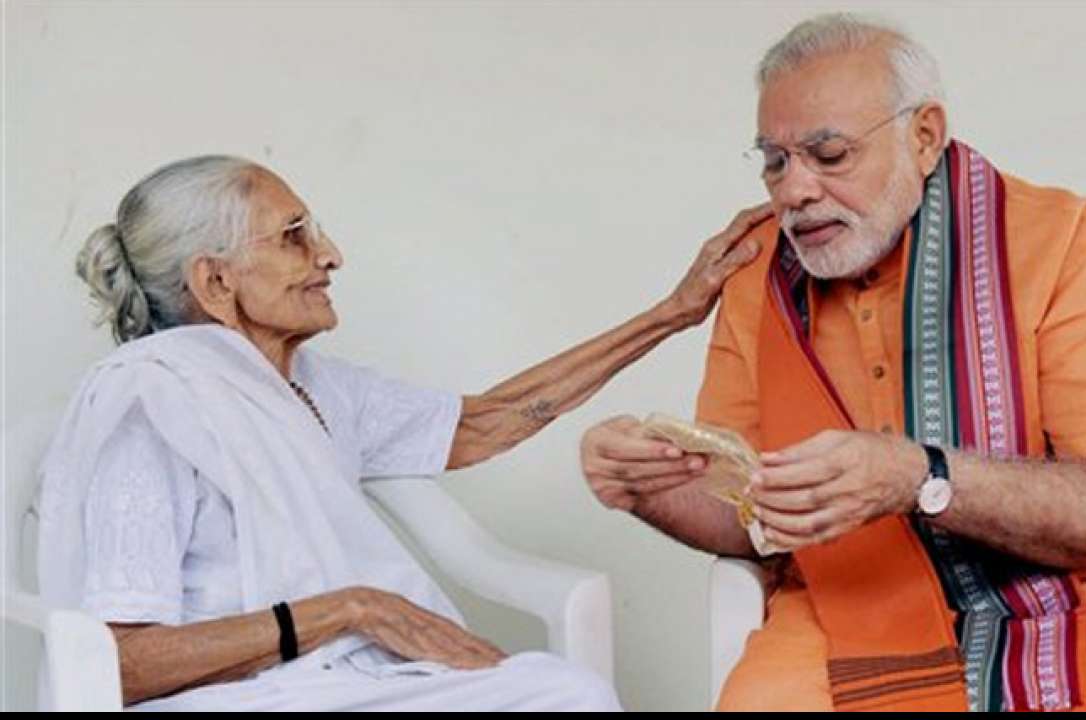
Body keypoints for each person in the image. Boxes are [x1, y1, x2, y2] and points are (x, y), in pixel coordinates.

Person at [580, 13, 1086, 711]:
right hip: (850, 600)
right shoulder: (757, 276)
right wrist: (645, 487)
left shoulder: (1064, 241)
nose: (794, 190)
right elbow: (756, 517)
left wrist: (920, 477)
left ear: (923, 136)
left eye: (829, 155)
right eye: (775, 160)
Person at [40, 154, 769, 710]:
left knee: (560, 694)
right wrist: (350, 609)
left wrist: (672, 313)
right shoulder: (153, 401)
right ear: (215, 282)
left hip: (343, 684)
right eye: (295, 237)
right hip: (237, 697)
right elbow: (118, 664)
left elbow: (487, 422)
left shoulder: (313, 387)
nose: (330, 255)